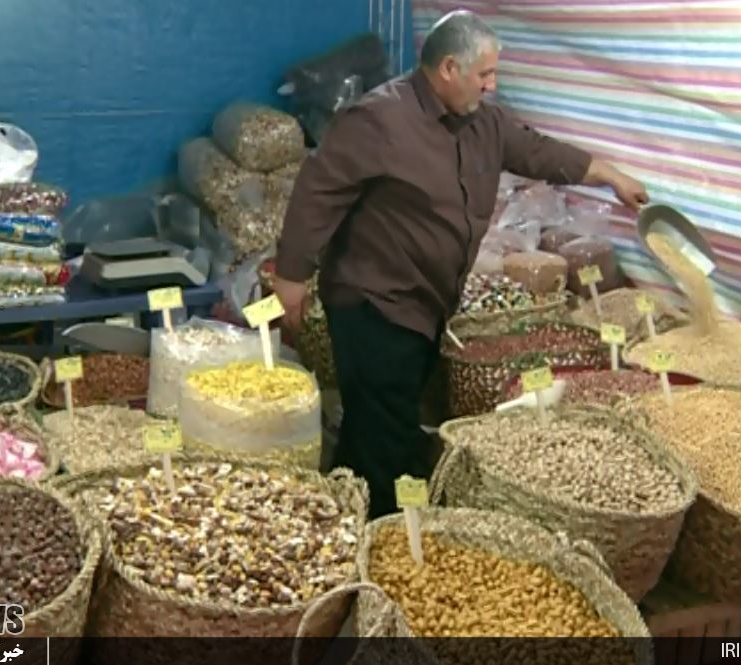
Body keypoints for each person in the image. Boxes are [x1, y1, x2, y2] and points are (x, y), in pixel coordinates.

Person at [273, 10, 649, 518]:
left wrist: (609, 174)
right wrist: (291, 276)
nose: (492, 85)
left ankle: (341, 509)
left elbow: (537, 151)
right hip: (375, 301)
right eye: (484, 74)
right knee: (388, 432)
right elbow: (318, 192)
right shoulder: (379, 119)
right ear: (449, 68)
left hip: (430, 303)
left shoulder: (484, 123)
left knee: (374, 421)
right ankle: (391, 533)